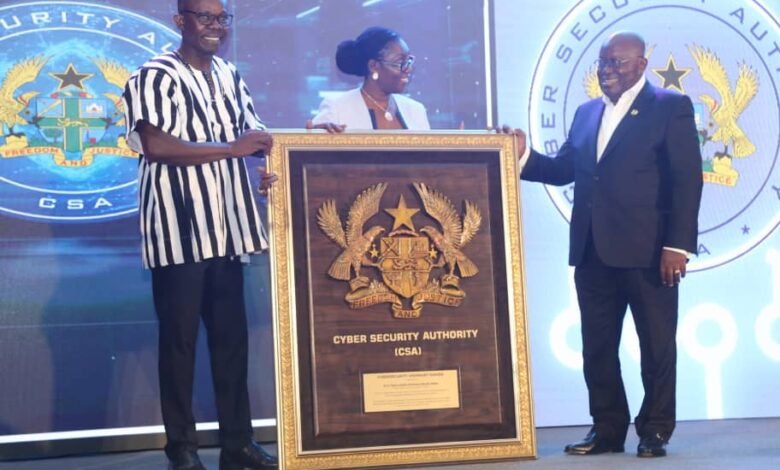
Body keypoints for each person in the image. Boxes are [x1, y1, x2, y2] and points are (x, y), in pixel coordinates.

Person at [506, 32, 703, 458]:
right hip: (593, 251)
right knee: (596, 347)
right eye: (602, 62)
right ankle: (607, 429)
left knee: (656, 346)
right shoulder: (585, 113)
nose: (607, 70)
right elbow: (563, 170)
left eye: (616, 62)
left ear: (641, 64)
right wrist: (522, 155)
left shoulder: (670, 107)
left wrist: (678, 246)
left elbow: (687, 180)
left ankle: (655, 430)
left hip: (650, 252)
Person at [121, 0, 278, 469]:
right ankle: (182, 450)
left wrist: (276, 157)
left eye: (221, 18)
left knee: (232, 342)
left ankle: (238, 444)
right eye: (204, 17)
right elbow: (157, 146)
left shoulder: (230, 75)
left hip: (229, 229)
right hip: (180, 231)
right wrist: (233, 148)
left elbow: (255, 136)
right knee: (180, 343)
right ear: (180, 22)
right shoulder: (154, 75)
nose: (215, 26)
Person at [308, 26, 430, 131]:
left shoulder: (416, 110)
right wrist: (312, 140)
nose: (407, 69)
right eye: (399, 62)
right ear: (373, 66)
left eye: (409, 61)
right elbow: (312, 155)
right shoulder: (337, 108)